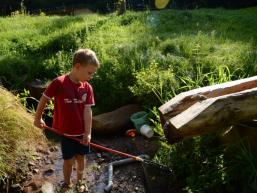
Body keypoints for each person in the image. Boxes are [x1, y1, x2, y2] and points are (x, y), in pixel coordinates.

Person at [34, 48, 100, 192]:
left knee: (81, 158)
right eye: (89, 73)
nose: (91, 76)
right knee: (68, 161)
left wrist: (87, 133)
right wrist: (37, 118)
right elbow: (44, 99)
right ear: (77, 66)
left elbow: (88, 111)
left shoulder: (87, 88)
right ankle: (67, 182)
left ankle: (80, 182)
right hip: (67, 134)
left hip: (82, 133)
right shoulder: (59, 82)